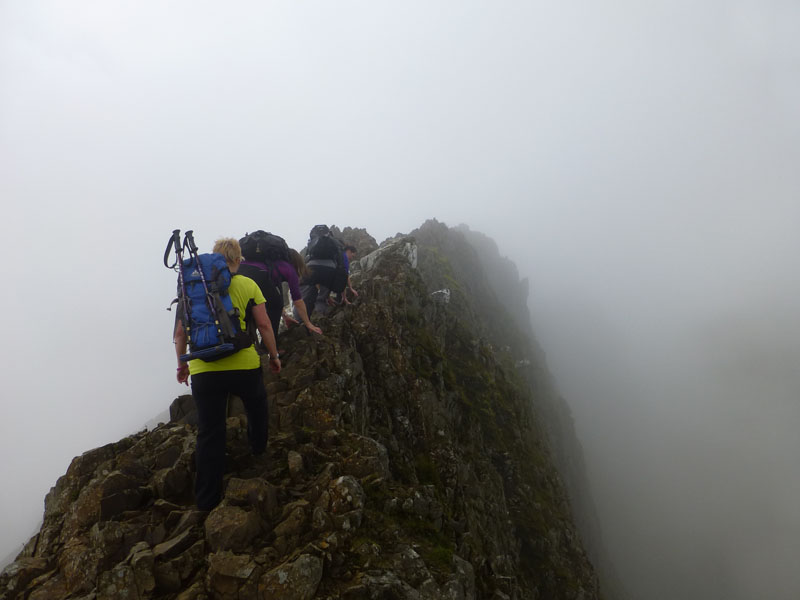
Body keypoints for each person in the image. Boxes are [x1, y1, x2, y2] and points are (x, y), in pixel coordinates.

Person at [174, 237, 281, 511]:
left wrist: (182, 365)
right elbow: (265, 324)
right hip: (244, 365)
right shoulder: (248, 284)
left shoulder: (192, 288)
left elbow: (179, 334)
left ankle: (207, 499)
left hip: (204, 370)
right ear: (237, 259)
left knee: (210, 432)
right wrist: (274, 356)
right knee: (256, 406)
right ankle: (258, 451)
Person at [239, 247, 322, 336]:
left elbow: (277, 297)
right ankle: (268, 346)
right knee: (272, 309)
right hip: (254, 280)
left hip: (240, 274)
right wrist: (308, 324)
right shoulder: (289, 269)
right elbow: (297, 300)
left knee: (247, 314)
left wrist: (285, 316)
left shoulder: (272, 265)